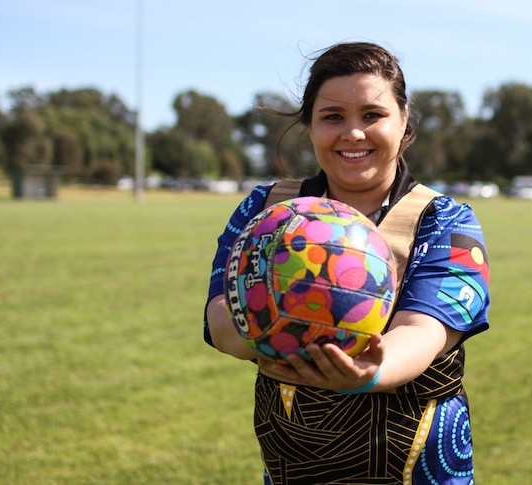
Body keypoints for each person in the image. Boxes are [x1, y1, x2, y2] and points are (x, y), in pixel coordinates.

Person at [204, 41, 491, 485]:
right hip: (293, 468)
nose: (352, 133)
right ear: (311, 125)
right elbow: (222, 312)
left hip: (416, 469)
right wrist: (267, 343)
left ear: (404, 122)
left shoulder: (445, 220)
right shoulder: (266, 211)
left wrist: (368, 371)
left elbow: (423, 331)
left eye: (372, 115)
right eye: (333, 116)